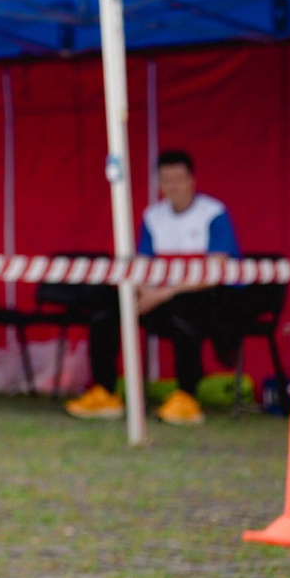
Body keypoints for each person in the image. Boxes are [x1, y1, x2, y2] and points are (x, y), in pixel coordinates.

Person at [66, 148, 251, 426]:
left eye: (178, 179)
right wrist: (142, 293)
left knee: (187, 309)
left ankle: (186, 397)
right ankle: (105, 392)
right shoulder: (153, 216)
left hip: (212, 300)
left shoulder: (214, 214)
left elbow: (214, 272)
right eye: (166, 180)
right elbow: (141, 265)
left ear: (192, 180)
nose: (172, 186)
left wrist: (162, 294)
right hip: (160, 297)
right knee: (106, 305)